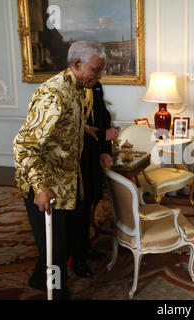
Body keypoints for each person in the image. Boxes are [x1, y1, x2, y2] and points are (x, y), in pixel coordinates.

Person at [13, 40, 106, 300]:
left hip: (65, 182)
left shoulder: (76, 87)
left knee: (59, 242)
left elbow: (60, 125)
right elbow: (24, 147)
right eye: (96, 70)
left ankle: (37, 279)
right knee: (55, 250)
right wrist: (40, 188)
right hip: (43, 185)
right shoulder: (53, 94)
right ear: (77, 65)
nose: (99, 76)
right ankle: (58, 291)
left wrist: (84, 129)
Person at [72, 81, 119, 277]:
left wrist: (105, 151)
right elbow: (72, 126)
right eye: (95, 69)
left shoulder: (95, 85)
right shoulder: (67, 88)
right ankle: (76, 259)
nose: (98, 74)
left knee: (90, 199)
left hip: (92, 156)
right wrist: (102, 134)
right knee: (77, 209)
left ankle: (85, 249)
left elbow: (102, 117)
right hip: (75, 159)